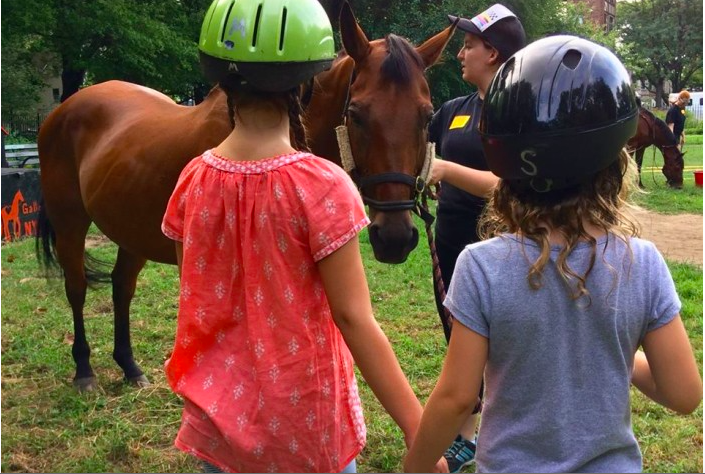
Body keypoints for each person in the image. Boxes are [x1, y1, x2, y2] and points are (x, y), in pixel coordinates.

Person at [161, 1, 444, 472]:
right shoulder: (322, 186)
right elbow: (354, 320)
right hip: (305, 428)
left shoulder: (192, 179)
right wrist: (418, 428)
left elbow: (194, 291)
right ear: (308, 81)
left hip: (217, 426)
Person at [404, 36, 702, 473]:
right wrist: (616, 350)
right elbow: (683, 394)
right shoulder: (643, 262)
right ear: (616, 159)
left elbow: (457, 398)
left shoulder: (481, 267)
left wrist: (415, 467)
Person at [426, 4, 526, 471]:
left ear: (493, 52)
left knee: (508, 349)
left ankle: (504, 430)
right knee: (459, 343)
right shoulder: (453, 111)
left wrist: (445, 170)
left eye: (468, 45)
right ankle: (467, 435)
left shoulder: (523, 114)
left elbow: (515, 188)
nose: (460, 53)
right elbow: (417, 151)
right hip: (451, 246)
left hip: (506, 249)